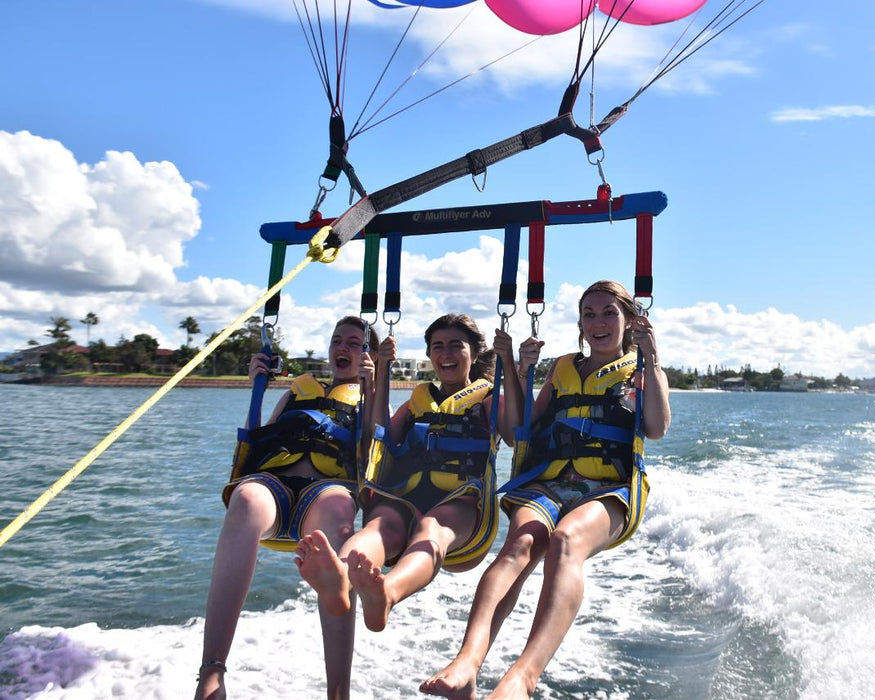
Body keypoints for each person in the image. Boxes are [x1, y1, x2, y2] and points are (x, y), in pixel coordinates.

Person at [420, 280, 671, 700]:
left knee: (565, 540)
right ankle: (467, 662)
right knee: (519, 544)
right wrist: (517, 368)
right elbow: (523, 431)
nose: (598, 322)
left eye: (609, 312)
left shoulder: (641, 369)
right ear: (579, 323)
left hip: (610, 489)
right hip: (551, 481)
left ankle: (523, 677)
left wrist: (652, 357)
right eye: (588, 314)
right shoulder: (563, 367)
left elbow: (657, 428)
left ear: (629, 320)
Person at [295, 314, 526, 636]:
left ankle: (389, 592)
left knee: (432, 527)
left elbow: (517, 434)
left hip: (460, 500)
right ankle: (339, 579)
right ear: (430, 355)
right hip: (405, 494)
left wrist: (510, 367)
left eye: (455, 346)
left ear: (474, 353)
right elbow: (380, 435)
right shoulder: (419, 399)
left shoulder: (488, 398)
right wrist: (381, 373)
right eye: (437, 347)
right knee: (381, 525)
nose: (445, 354)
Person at [194, 315, 378, 700]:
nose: (342, 348)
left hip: (327, 489)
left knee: (336, 513)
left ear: (368, 356)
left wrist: (374, 388)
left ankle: (338, 692)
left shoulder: (370, 397)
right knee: (244, 498)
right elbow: (262, 439)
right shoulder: (298, 391)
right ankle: (212, 672)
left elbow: (373, 453)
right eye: (336, 340)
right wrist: (255, 387)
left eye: (354, 343)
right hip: (275, 485)